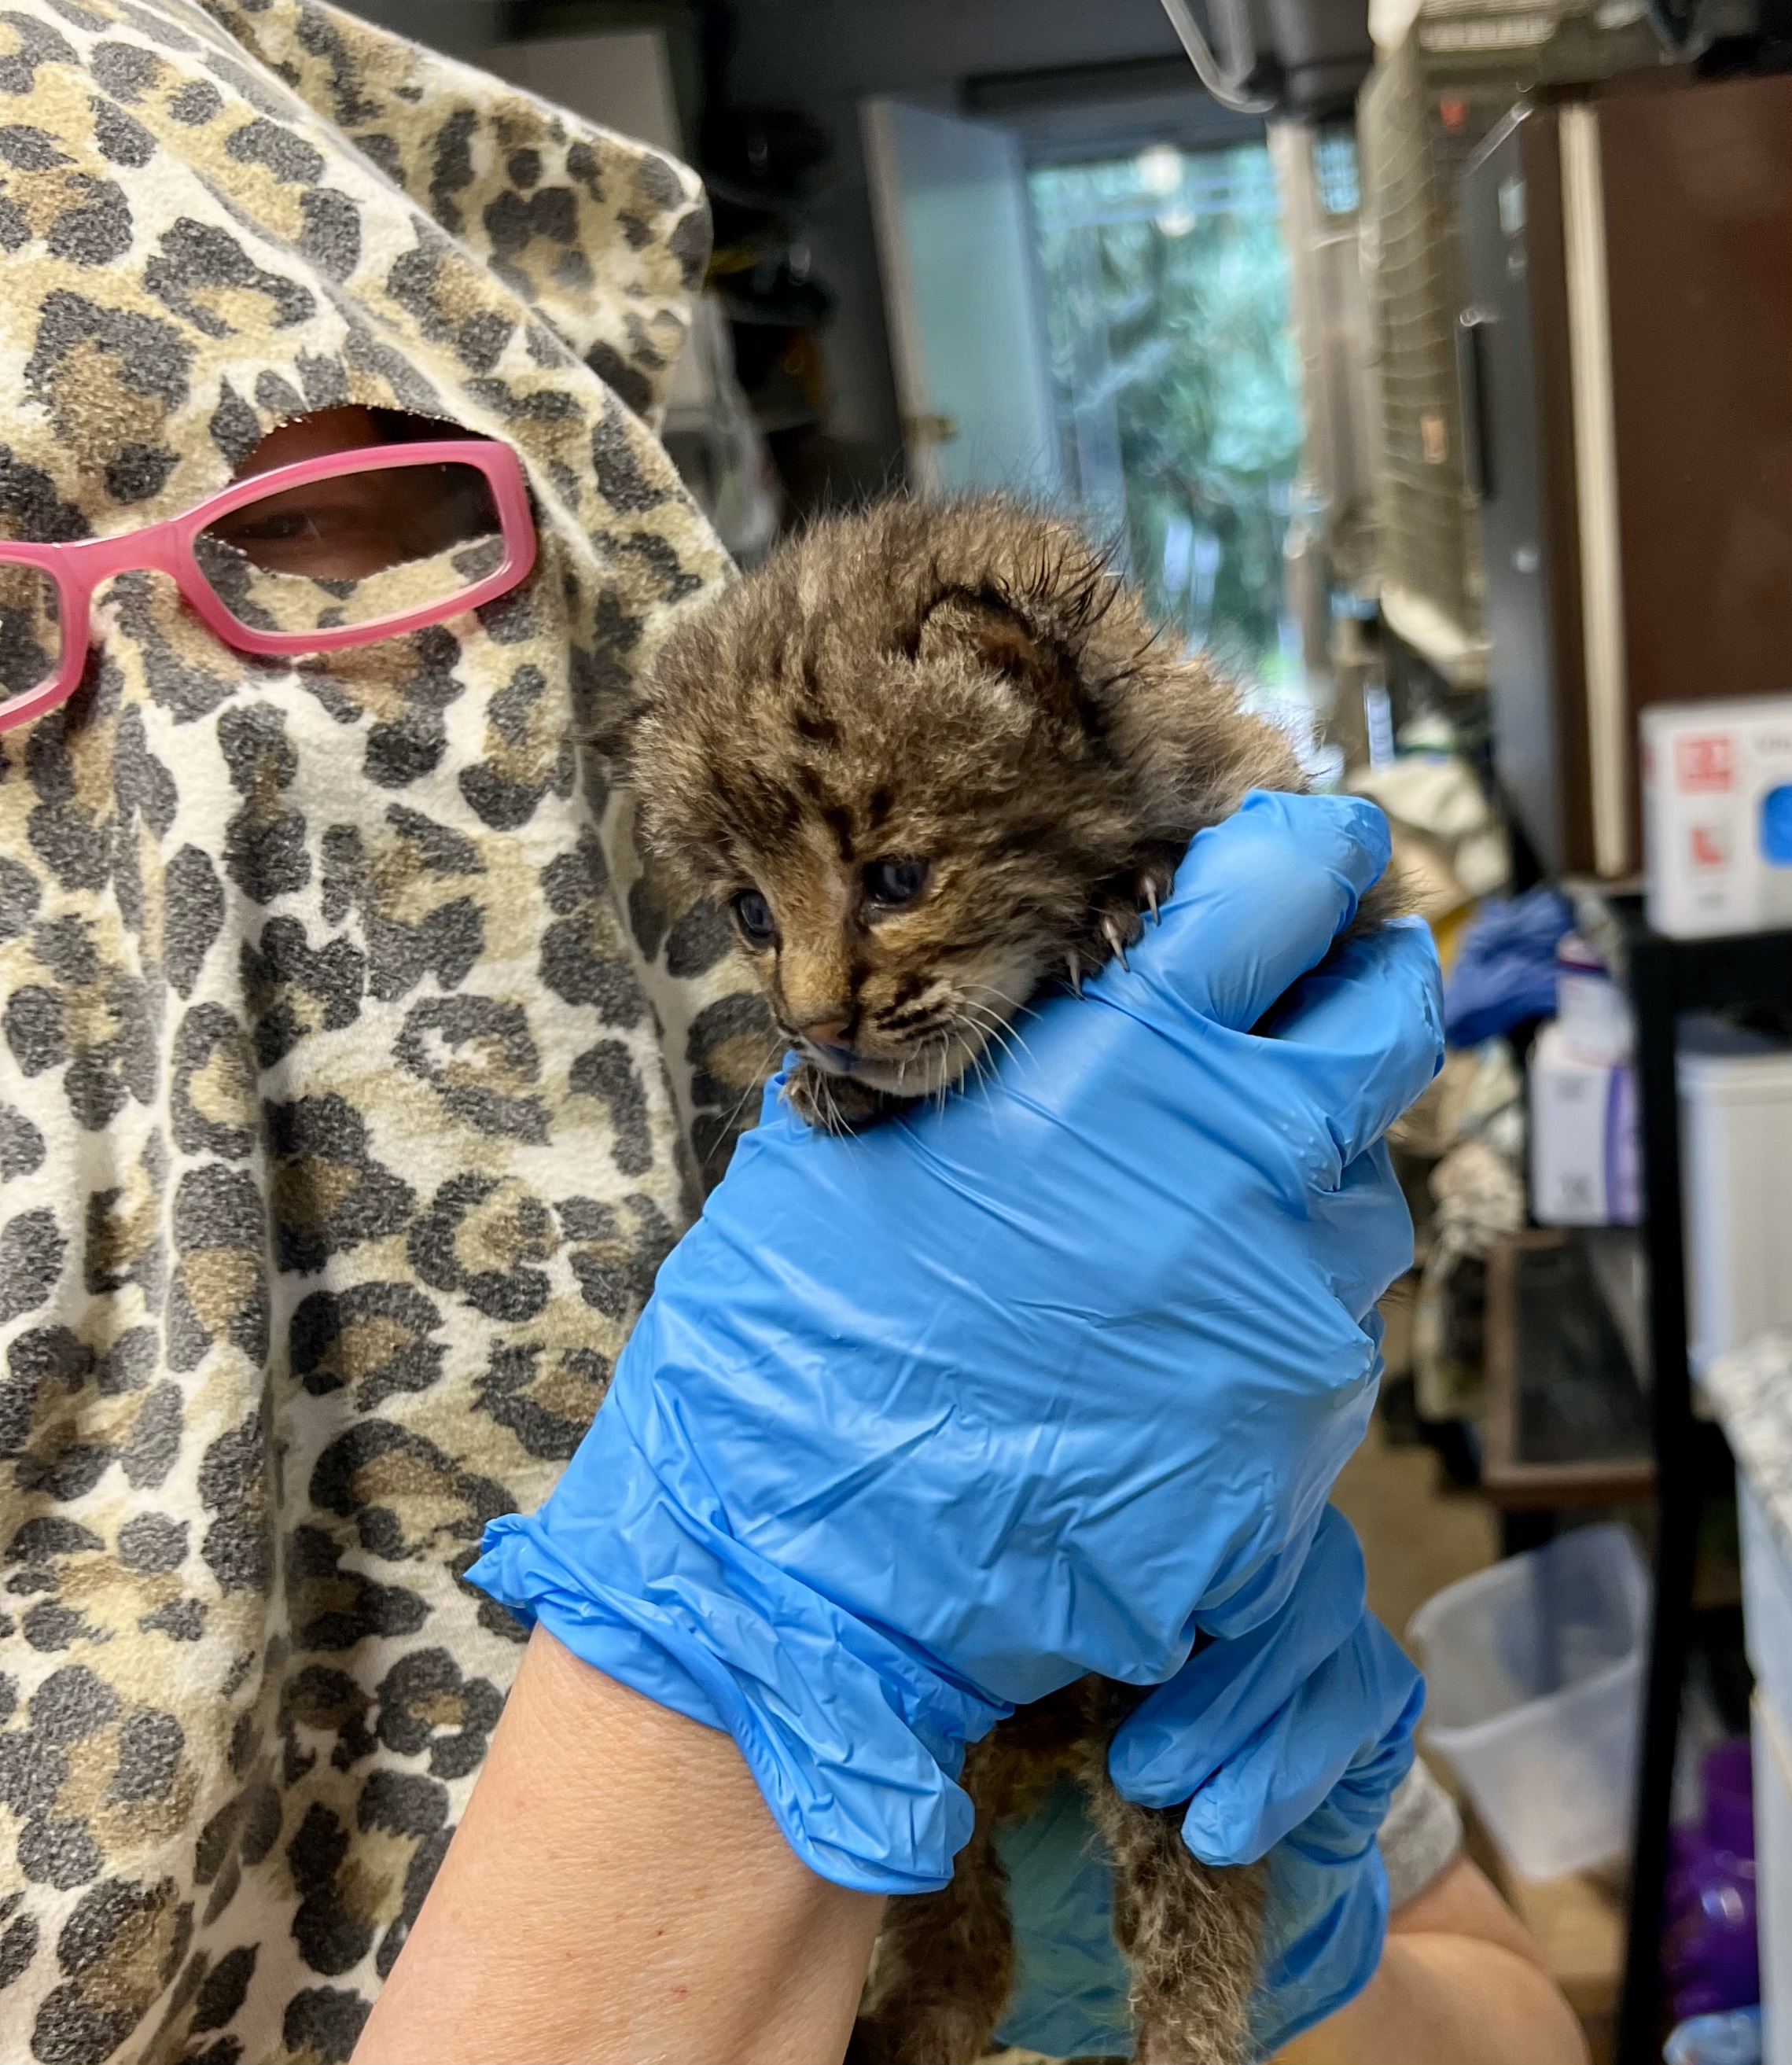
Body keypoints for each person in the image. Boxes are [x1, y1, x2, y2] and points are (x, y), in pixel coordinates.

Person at [0, 9, 1585, 2065]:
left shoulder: (973, 1205)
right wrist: (745, 1649)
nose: (229, 692)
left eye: (381, 518)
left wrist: (1311, 1975)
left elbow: (1508, 2015)